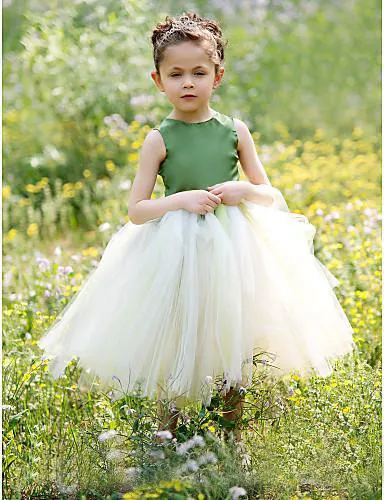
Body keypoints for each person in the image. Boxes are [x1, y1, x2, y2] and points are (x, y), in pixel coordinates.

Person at [38, 11, 357, 444]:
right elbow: (136, 208)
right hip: (174, 247)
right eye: (176, 74)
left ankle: (232, 436)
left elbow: (270, 194)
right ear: (158, 80)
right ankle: (164, 433)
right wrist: (181, 200)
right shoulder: (159, 138)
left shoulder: (234, 131)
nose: (187, 82)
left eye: (198, 72)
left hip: (234, 246)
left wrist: (241, 190)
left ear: (217, 76)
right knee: (174, 334)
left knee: (233, 335)